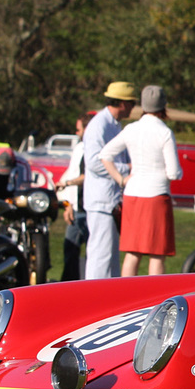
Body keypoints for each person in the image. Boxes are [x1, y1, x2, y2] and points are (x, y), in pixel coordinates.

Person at [100, 85, 183, 276]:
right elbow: (173, 172)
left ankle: (125, 298)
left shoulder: (132, 129)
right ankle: (154, 300)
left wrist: (121, 179)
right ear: (163, 106)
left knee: (133, 253)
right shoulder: (164, 132)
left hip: (133, 195)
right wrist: (179, 172)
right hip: (157, 196)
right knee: (157, 254)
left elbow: (105, 155)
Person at [83, 81, 137, 280]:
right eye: (131, 102)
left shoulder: (113, 124)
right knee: (100, 257)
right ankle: (94, 300)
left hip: (110, 200)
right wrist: (126, 170)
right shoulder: (99, 125)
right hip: (101, 201)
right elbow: (94, 163)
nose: (133, 107)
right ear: (122, 103)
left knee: (110, 258)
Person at [57, 114, 92, 282]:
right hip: (76, 210)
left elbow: (89, 175)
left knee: (94, 256)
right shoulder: (79, 148)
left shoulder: (96, 148)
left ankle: (92, 288)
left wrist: (68, 182)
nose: (76, 132)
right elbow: (71, 174)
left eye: (79, 129)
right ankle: (68, 288)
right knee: (69, 251)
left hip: (92, 210)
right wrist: (67, 204)